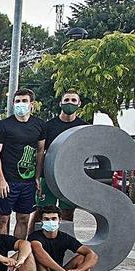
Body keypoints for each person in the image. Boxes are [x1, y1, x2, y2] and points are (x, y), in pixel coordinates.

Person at [0, 88, 45, 239]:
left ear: (31, 104)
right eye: (17, 101)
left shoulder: (40, 125)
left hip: (28, 183)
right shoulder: (3, 125)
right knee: (2, 219)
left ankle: (18, 253)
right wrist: (1, 179)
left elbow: (40, 152)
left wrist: (37, 177)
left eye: (24, 101)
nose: (20, 104)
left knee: (24, 219)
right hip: (8, 182)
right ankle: (0, 254)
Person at [28, 206, 99, 271]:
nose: (50, 222)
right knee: (37, 260)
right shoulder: (35, 237)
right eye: (47, 219)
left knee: (83, 258)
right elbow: (41, 256)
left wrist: (78, 270)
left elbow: (92, 255)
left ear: (59, 220)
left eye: (53, 219)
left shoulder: (65, 237)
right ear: (41, 220)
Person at [35, 89, 88, 223]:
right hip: (48, 176)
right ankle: (34, 241)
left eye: (73, 100)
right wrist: (37, 177)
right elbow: (40, 152)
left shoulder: (83, 127)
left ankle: (65, 242)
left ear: (79, 103)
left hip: (70, 177)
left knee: (68, 214)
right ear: (61, 103)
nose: (69, 103)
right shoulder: (48, 126)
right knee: (41, 213)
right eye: (66, 100)